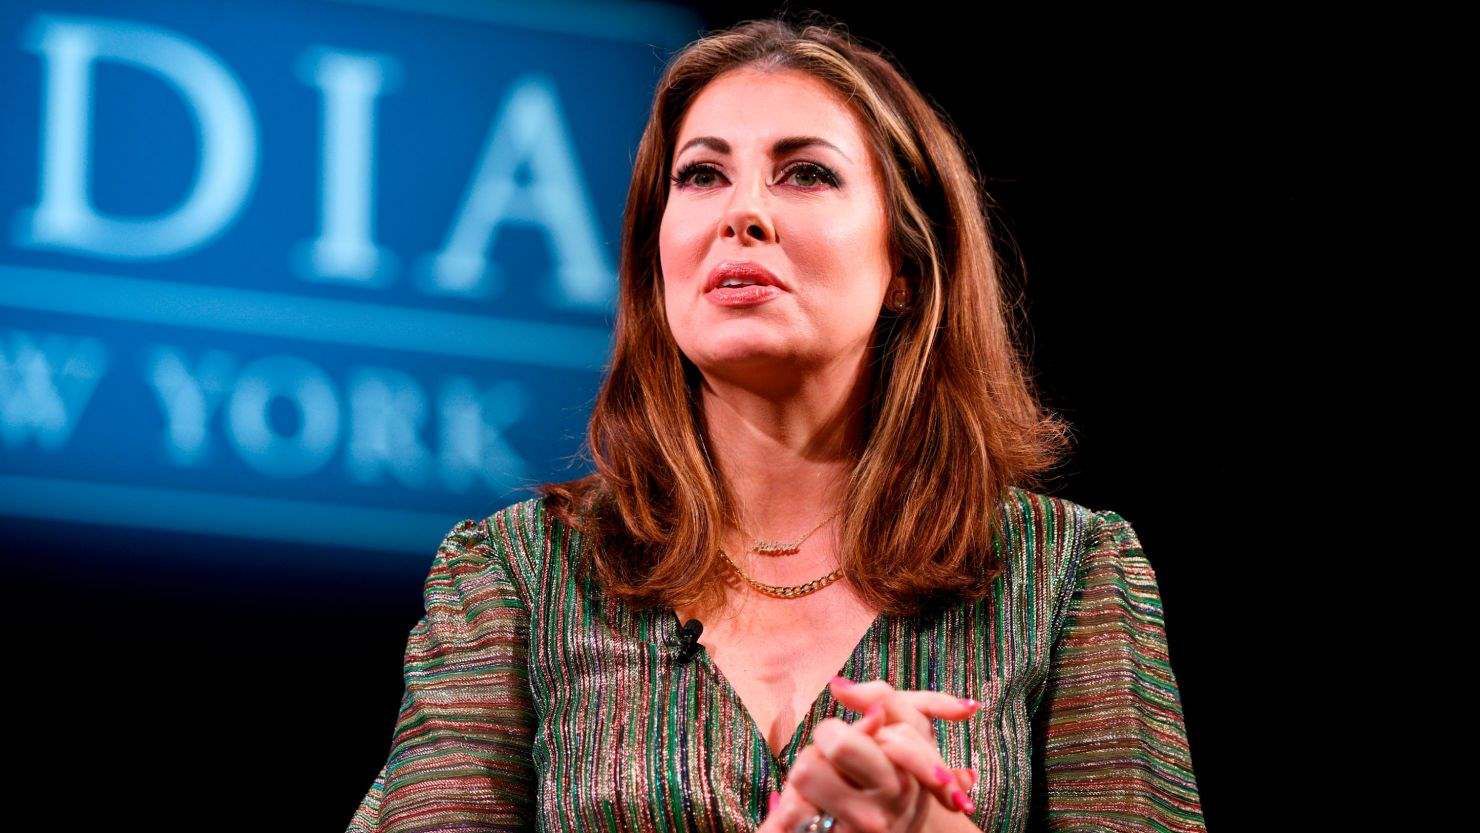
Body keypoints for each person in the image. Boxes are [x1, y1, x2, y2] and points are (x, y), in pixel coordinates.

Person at [346, 16, 1205, 833]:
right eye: (701, 175)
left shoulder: (1066, 574)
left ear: (907, 264)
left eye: (806, 173)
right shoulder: (520, 575)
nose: (741, 212)